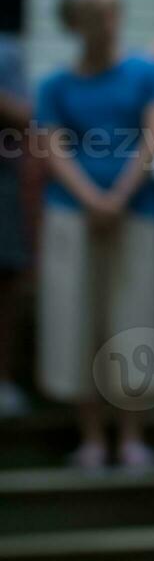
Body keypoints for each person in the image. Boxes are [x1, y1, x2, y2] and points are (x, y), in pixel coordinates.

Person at [35, 0, 154, 470]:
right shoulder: (54, 85)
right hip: (72, 217)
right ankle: (91, 436)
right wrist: (91, 199)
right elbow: (52, 148)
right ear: (73, 22)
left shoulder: (148, 72)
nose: (106, 22)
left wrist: (117, 197)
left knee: (133, 320)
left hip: (138, 214)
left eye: (112, 10)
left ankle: (132, 434)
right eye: (94, 12)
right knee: (78, 319)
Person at [0, 34, 32, 416]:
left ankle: (3, 380)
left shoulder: (8, 52)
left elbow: (28, 117)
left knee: (4, 281)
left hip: (3, 180)